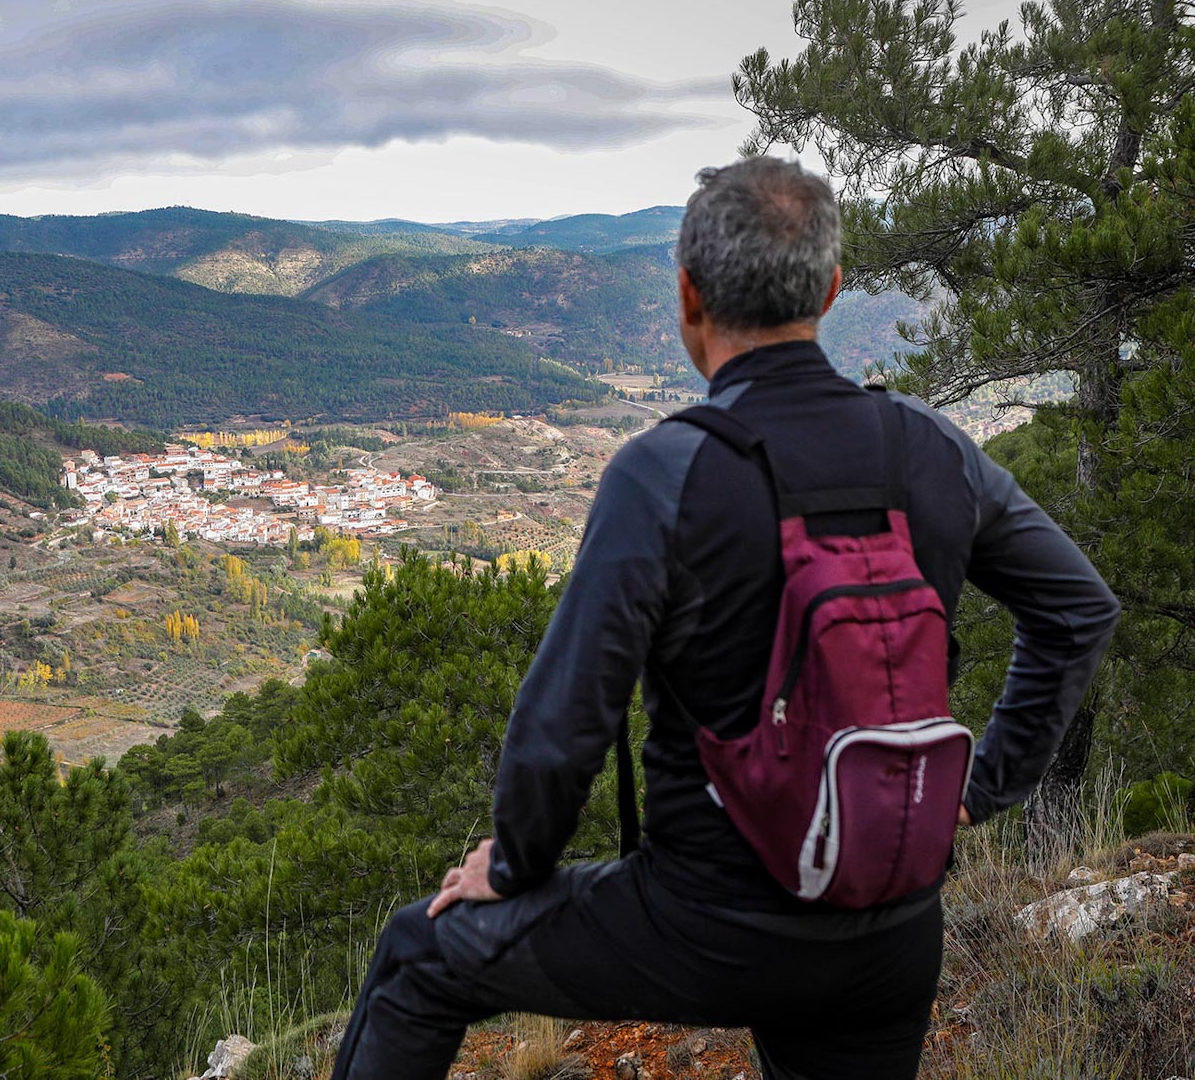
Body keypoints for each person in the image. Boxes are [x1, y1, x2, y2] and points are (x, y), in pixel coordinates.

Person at [329, 156, 1121, 1080]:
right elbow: (1076, 608)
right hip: (892, 922)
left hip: (709, 924)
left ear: (688, 297)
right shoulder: (931, 446)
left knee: (416, 958)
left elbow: (564, 725)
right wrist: (973, 794)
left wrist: (509, 867)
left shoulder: (664, 474)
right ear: (829, 289)